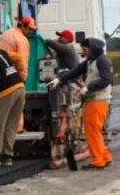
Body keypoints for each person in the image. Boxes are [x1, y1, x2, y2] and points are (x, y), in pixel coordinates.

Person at [48, 37, 113, 170]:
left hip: (99, 99)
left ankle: (98, 161)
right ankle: (105, 157)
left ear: (92, 48)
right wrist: (59, 79)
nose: (83, 52)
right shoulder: (90, 61)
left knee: (92, 131)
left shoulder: (102, 61)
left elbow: (107, 79)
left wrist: (88, 87)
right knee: (94, 131)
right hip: (92, 99)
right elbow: (75, 71)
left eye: (85, 49)